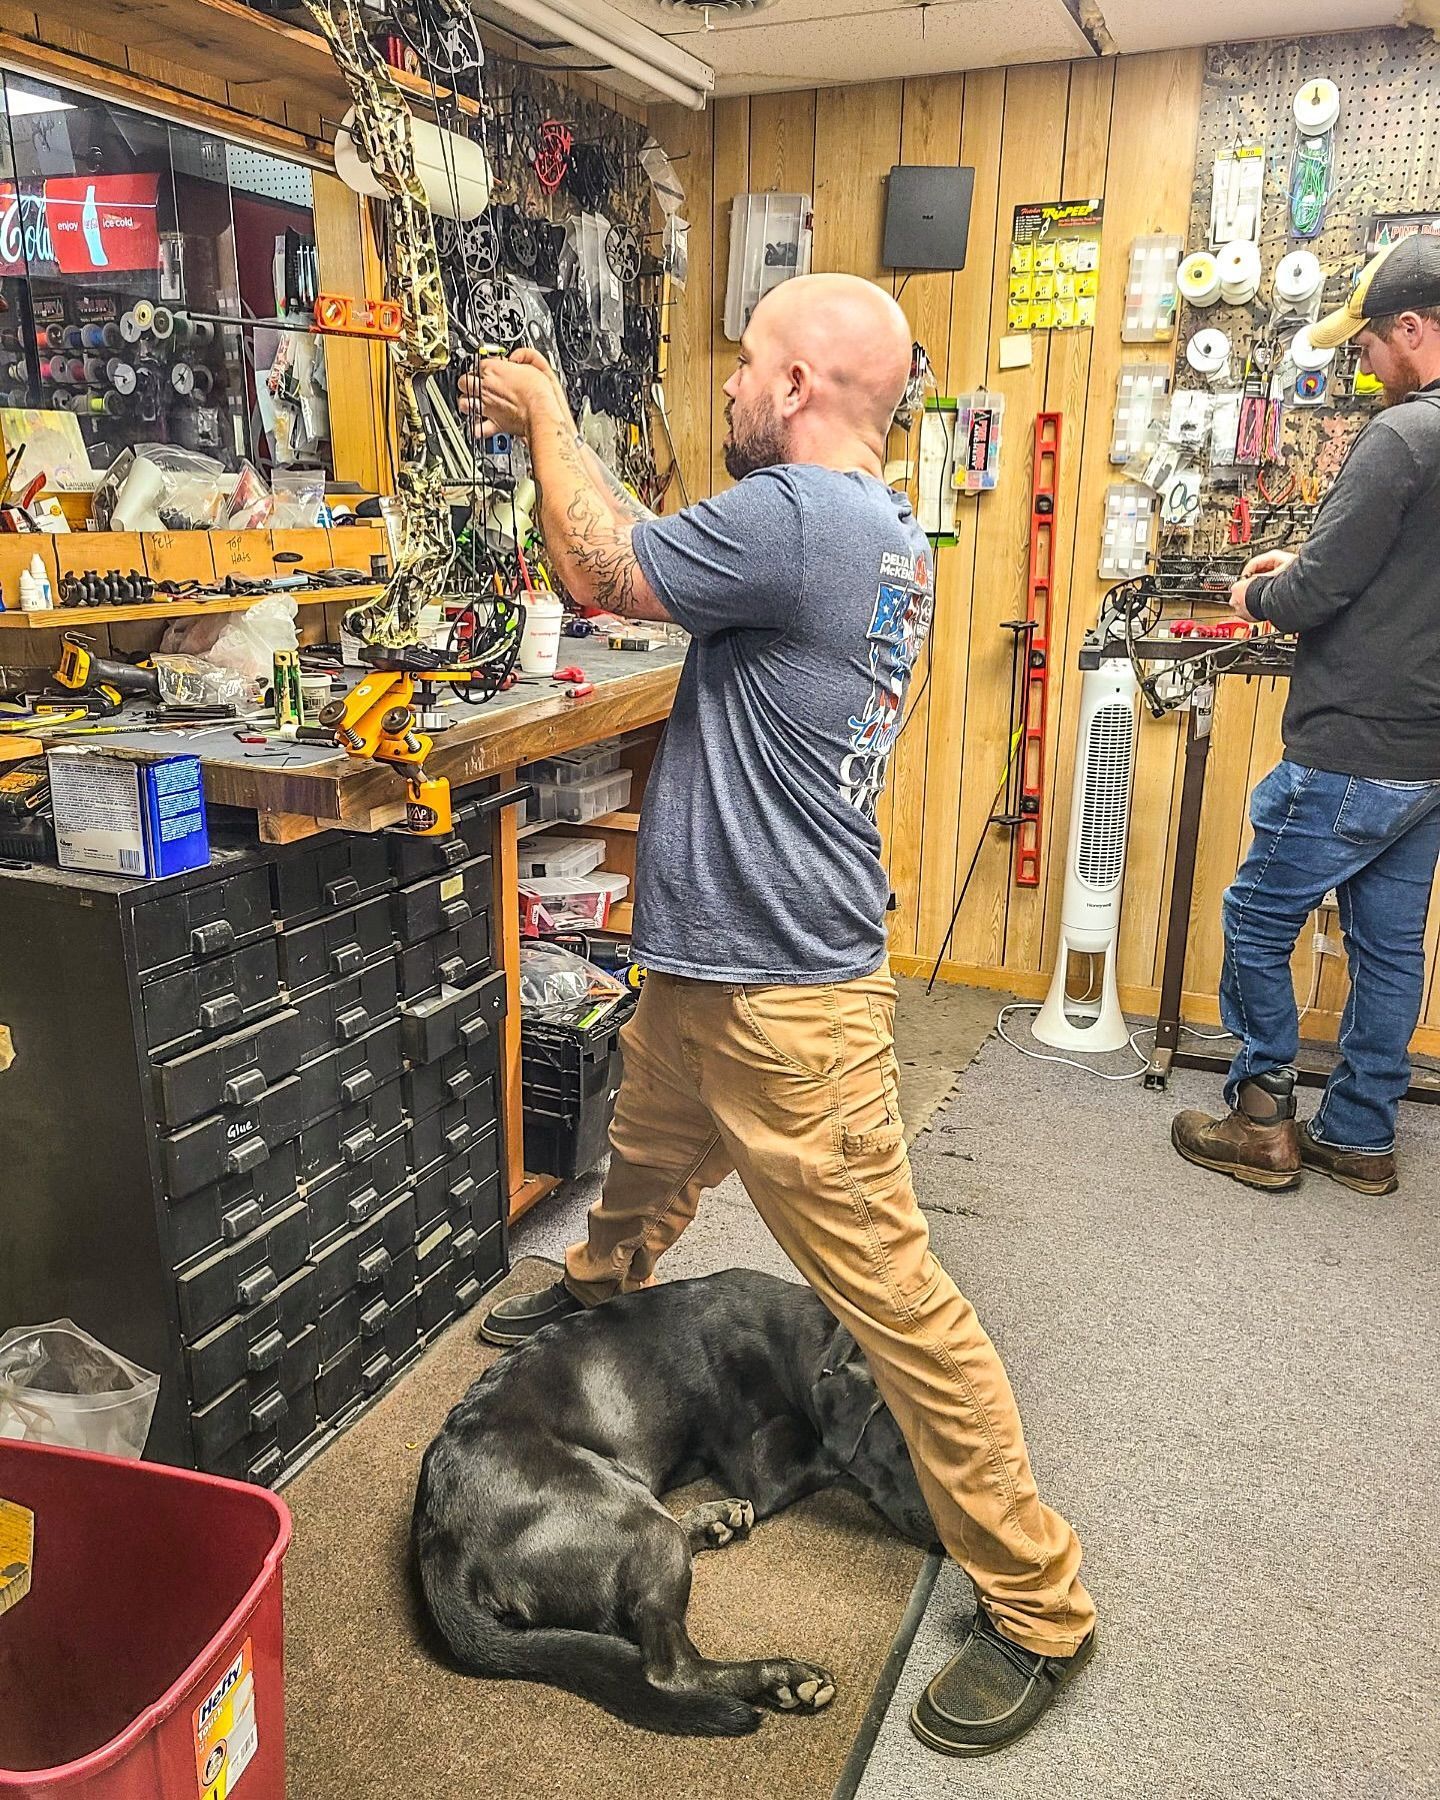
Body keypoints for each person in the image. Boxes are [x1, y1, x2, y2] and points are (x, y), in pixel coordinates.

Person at [457, 272, 1096, 1756]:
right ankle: (605, 1288)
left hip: (790, 999)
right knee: (651, 1159)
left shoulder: (796, 520)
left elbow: (605, 570)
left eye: (748, 366)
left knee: (898, 1304)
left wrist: (548, 407)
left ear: (800, 386)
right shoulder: (869, 528)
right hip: (709, 962)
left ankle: (1045, 1602)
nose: (731, 388)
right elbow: (655, 562)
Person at [1172, 234, 1440, 1196]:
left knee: (1254, 918)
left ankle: (1261, 1122)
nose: (1364, 362)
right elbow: (1402, 576)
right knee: (1388, 943)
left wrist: (1260, 593)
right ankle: (1360, 1136)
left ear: (1412, 328)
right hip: (1427, 759)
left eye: (1370, 341)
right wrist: (1314, 571)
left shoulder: (1404, 436)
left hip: (1348, 747)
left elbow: (1314, 595)